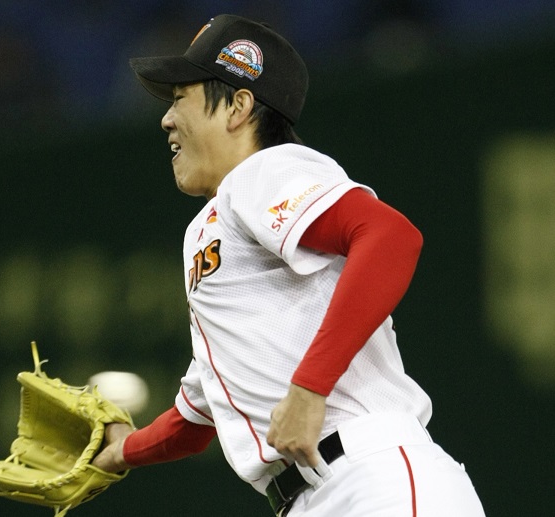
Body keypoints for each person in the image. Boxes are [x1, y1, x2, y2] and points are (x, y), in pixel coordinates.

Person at [93, 14, 485, 516]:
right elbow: (195, 417)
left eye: (180, 97)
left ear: (237, 107)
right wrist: (120, 451)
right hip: (321, 493)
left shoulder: (264, 170)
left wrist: (309, 389)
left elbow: (390, 236)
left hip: (368, 476)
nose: (167, 119)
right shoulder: (220, 228)